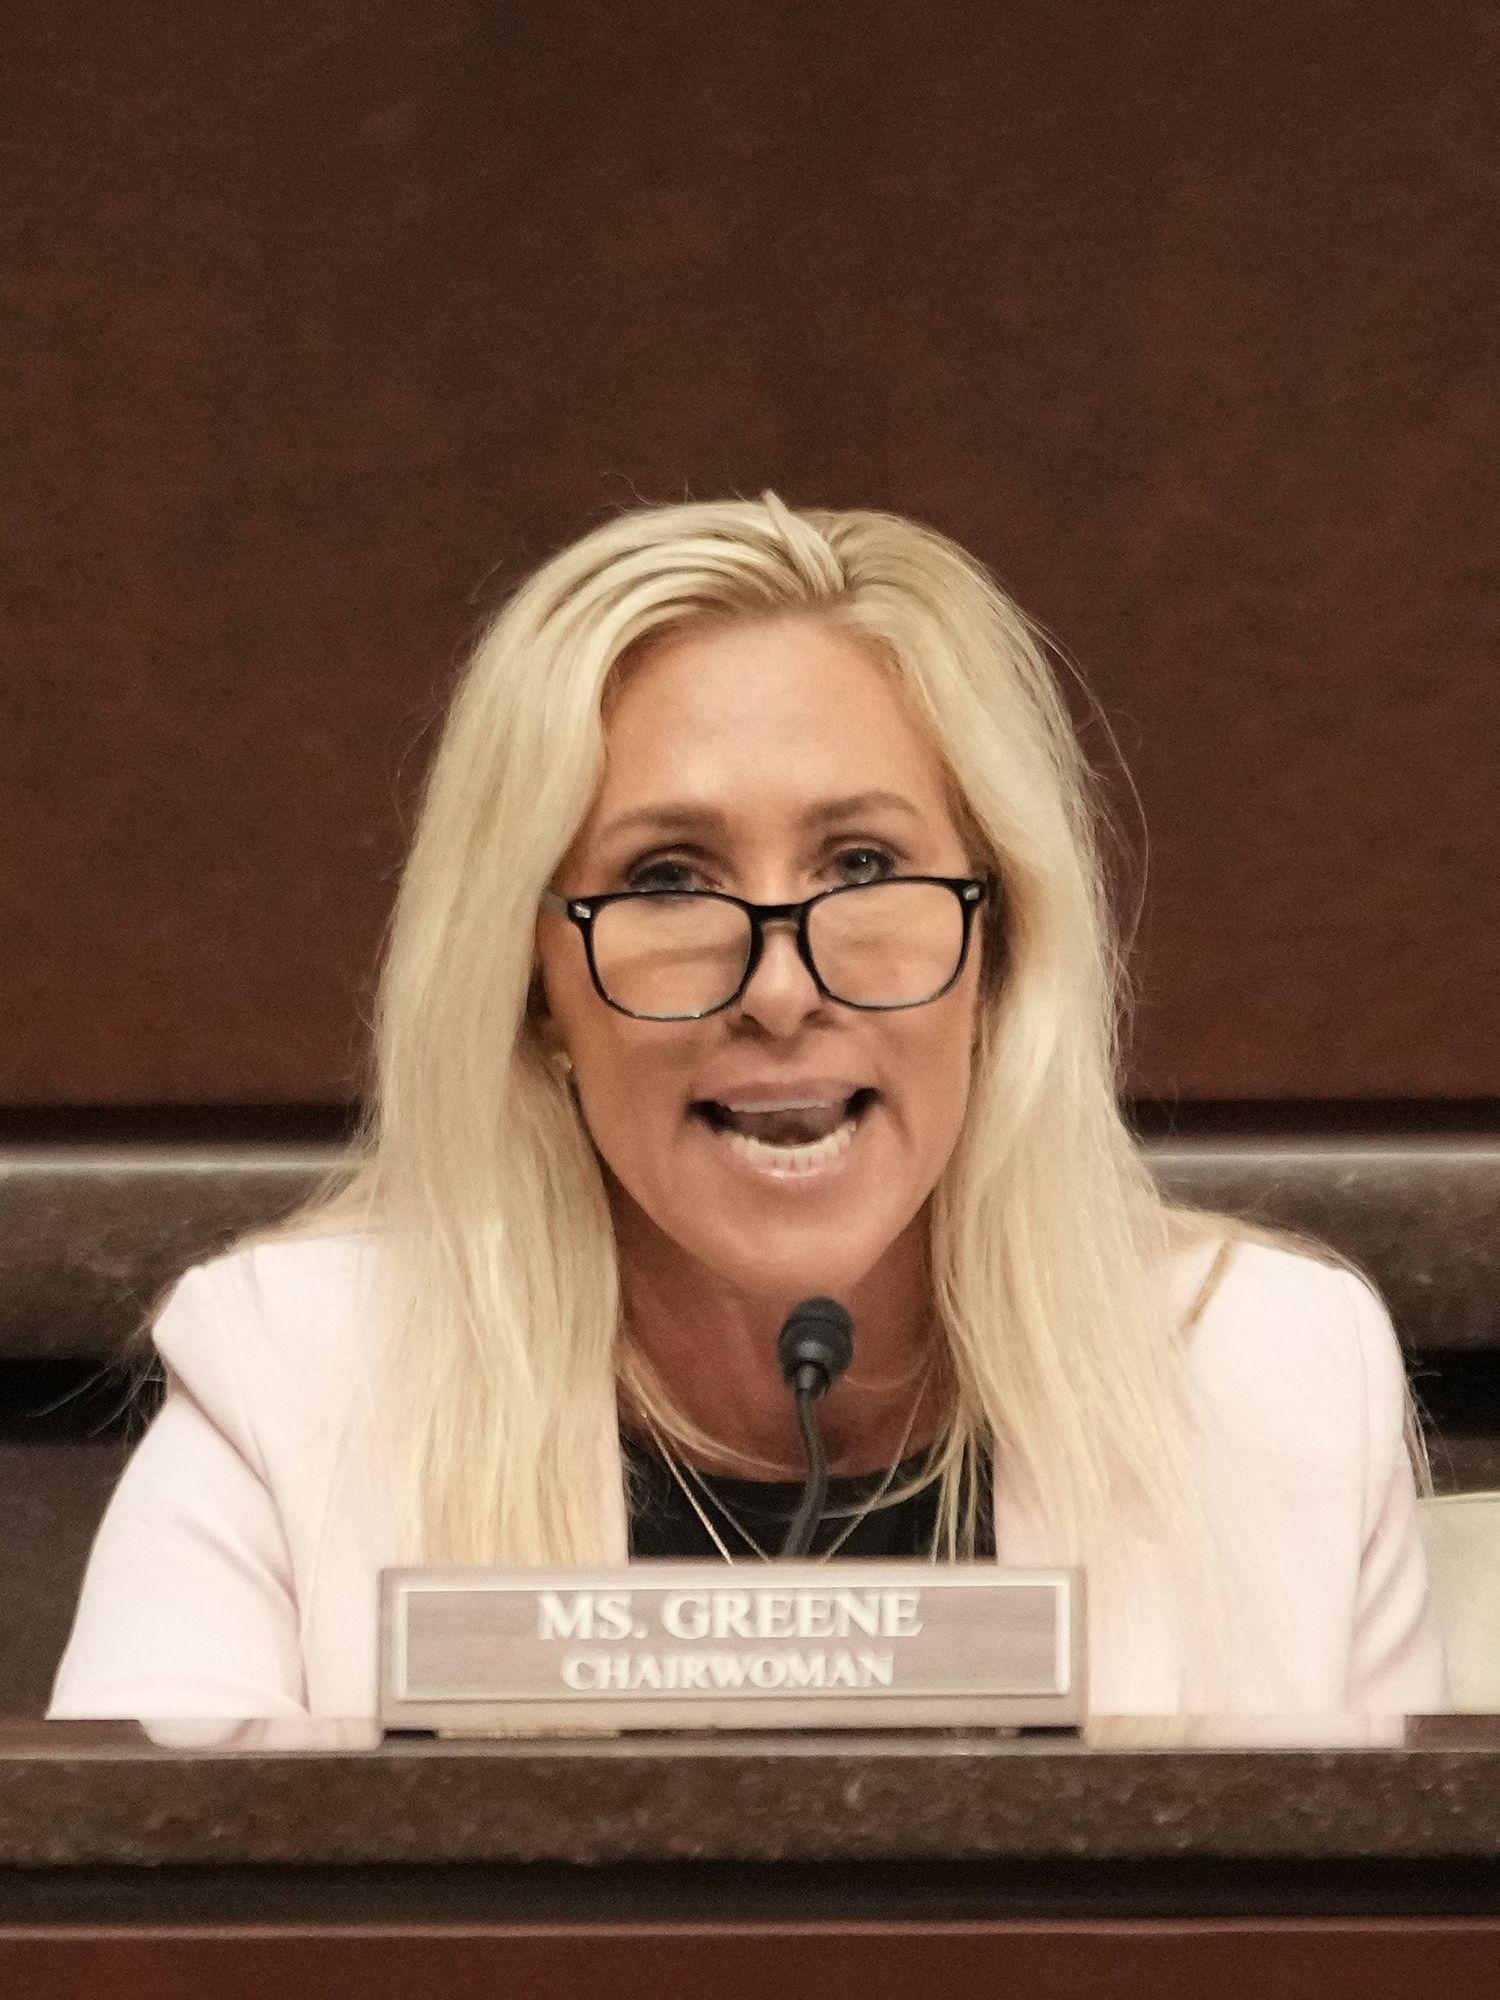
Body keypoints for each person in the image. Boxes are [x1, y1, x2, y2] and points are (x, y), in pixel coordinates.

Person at [49, 496, 1446, 1719]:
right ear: (534, 988)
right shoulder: (302, 1386)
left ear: (1004, 945)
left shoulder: (1271, 1383)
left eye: (860, 861)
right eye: (665, 879)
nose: (780, 988)